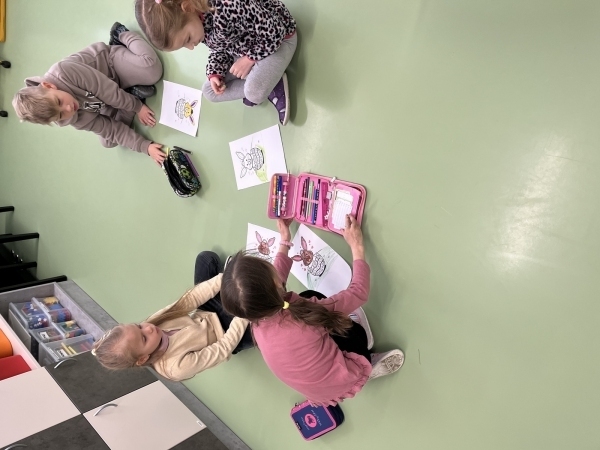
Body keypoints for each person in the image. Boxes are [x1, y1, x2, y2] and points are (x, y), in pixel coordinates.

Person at [221, 216, 404, 406]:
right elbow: (359, 293)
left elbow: (273, 284)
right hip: (343, 378)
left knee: (307, 296)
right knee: (351, 329)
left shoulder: (257, 317)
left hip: (319, 392)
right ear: (274, 283)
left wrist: (285, 239)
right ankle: (367, 363)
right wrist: (357, 246)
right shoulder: (307, 318)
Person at [12, 23, 167, 166]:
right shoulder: (71, 117)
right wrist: (146, 147)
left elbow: (108, 92)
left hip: (111, 67)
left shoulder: (64, 72)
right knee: (108, 141)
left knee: (152, 71)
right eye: (60, 115)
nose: (68, 108)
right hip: (104, 100)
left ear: (49, 86)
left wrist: (137, 107)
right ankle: (131, 93)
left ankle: (120, 34)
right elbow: (111, 130)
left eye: (59, 101)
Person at [92, 251, 253, 381]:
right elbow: (223, 348)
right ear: (142, 359)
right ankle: (240, 299)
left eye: (138, 326)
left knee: (206, 260)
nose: (148, 328)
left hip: (207, 311)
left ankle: (234, 292)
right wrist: (243, 311)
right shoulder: (176, 368)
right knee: (255, 320)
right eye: (144, 338)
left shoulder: (151, 325)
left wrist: (226, 279)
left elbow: (190, 299)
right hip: (225, 333)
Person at [135, 0, 297, 125]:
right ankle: (265, 80)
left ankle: (272, 84)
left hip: (279, 41)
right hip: (243, 49)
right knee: (209, 92)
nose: (191, 47)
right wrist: (215, 73)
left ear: (188, 8)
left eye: (188, 39)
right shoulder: (197, 18)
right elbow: (219, 47)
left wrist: (249, 59)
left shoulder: (229, 7)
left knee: (254, 93)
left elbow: (276, 31)